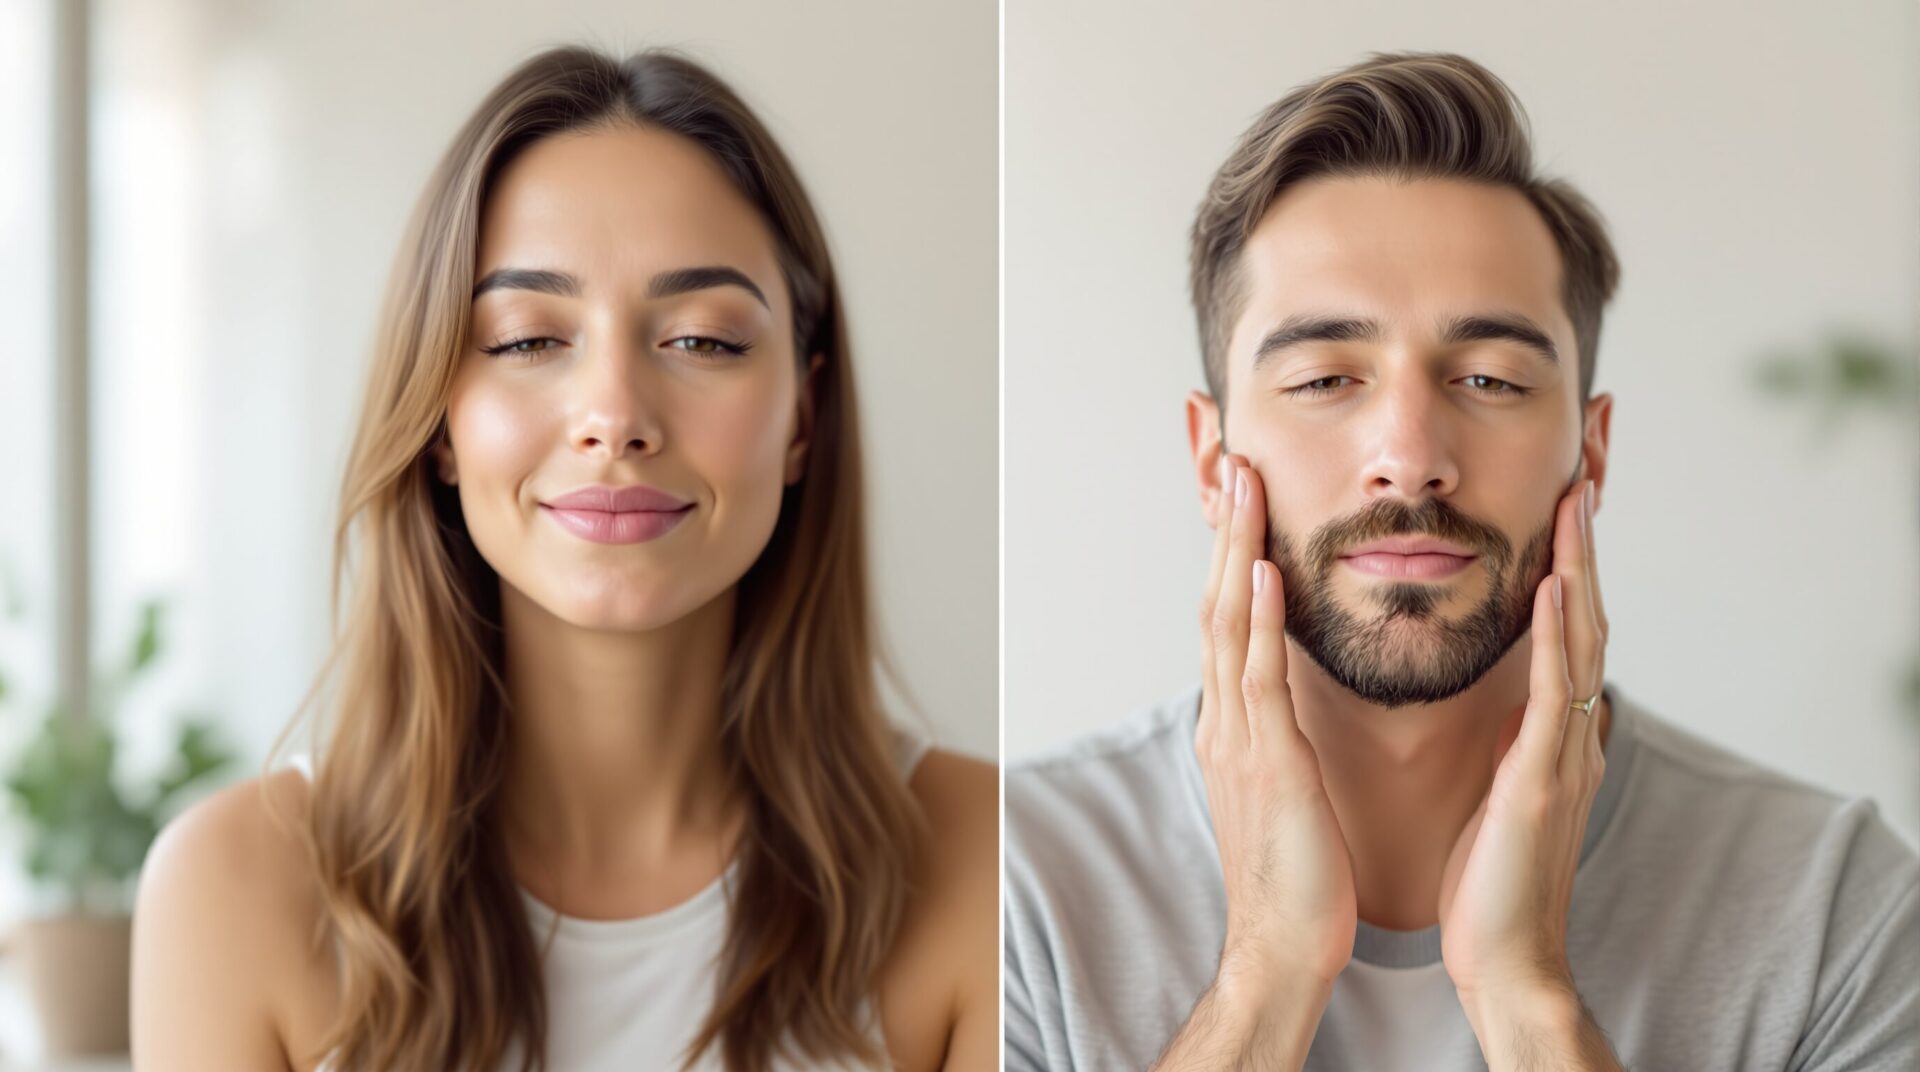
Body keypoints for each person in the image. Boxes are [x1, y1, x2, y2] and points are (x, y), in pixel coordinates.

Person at [1004, 50, 1918, 1070]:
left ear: (1592, 449)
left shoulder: (1839, 913)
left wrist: (1528, 998)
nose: (1410, 460)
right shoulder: (1014, 890)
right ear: (1213, 460)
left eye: (1488, 378)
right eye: (1324, 379)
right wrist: (1266, 970)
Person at [131, 46, 997, 1072]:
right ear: (441, 422)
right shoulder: (235, 889)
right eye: (530, 339)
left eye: (704, 340)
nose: (616, 417)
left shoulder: (985, 864)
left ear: (805, 415)